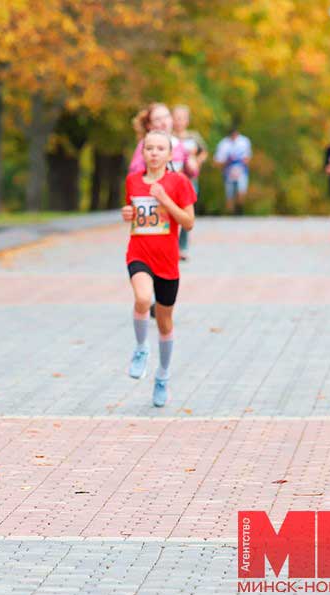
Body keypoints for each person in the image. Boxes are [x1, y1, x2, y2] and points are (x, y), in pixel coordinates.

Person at [122, 131, 196, 407]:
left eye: (159, 148)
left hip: (167, 261)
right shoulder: (132, 181)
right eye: (149, 148)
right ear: (143, 153)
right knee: (142, 299)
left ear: (169, 154)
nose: (153, 153)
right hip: (139, 253)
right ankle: (141, 348)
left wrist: (165, 200)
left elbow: (188, 223)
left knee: (165, 323)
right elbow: (134, 214)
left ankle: (162, 375)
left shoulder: (179, 182)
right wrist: (127, 213)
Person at [172, 105, 208, 260]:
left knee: (187, 213)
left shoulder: (193, 137)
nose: (179, 121)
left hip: (190, 181)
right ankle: (172, 246)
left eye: (182, 118)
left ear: (187, 120)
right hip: (173, 180)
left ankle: (183, 246)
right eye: (176, 117)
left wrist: (197, 163)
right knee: (173, 213)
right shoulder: (168, 137)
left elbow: (204, 151)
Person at [128, 103, 193, 176]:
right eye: (158, 119)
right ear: (149, 125)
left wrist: (192, 160)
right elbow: (134, 175)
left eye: (167, 116)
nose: (164, 122)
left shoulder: (178, 143)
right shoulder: (145, 144)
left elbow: (193, 173)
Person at [214, 124, 252, 215]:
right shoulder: (223, 144)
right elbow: (218, 160)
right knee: (229, 194)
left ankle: (239, 209)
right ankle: (231, 213)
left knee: (241, 191)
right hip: (228, 172)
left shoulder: (244, 141)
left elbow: (248, 157)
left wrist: (241, 165)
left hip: (241, 170)